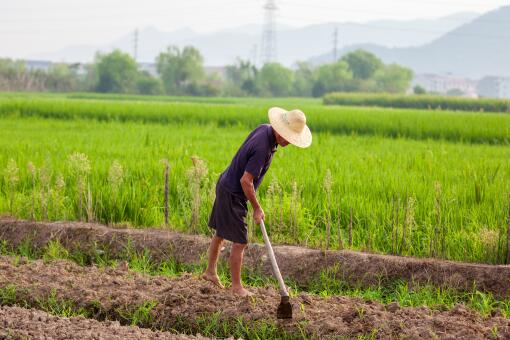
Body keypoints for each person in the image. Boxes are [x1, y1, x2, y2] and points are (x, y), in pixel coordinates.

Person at [202, 107, 312, 296]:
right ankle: (236, 288)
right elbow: (246, 181)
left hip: (225, 184)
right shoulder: (263, 148)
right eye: (289, 138)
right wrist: (256, 208)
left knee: (221, 232)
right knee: (240, 242)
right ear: (281, 130)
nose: (289, 142)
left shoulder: (264, 129)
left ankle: (210, 272)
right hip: (233, 193)